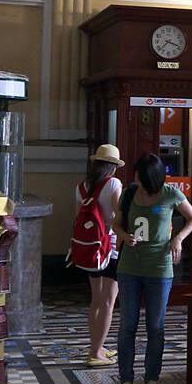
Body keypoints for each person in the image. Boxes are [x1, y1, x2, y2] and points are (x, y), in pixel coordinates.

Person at [113, 153, 192, 384]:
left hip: (160, 269)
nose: (136, 181)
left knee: (155, 326)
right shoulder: (130, 193)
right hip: (129, 267)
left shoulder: (170, 193)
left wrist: (178, 239)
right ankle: (126, 381)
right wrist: (124, 236)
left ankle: (152, 379)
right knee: (127, 325)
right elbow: (116, 223)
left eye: (140, 177)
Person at [73, 144, 123, 366]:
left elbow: (78, 219)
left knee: (96, 300)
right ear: (113, 167)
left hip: (90, 249)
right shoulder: (113, 183)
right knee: (109, 301)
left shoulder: (82, 186)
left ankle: (97, 346)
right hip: (109, 248)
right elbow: (118, 217)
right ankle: (96, 353)